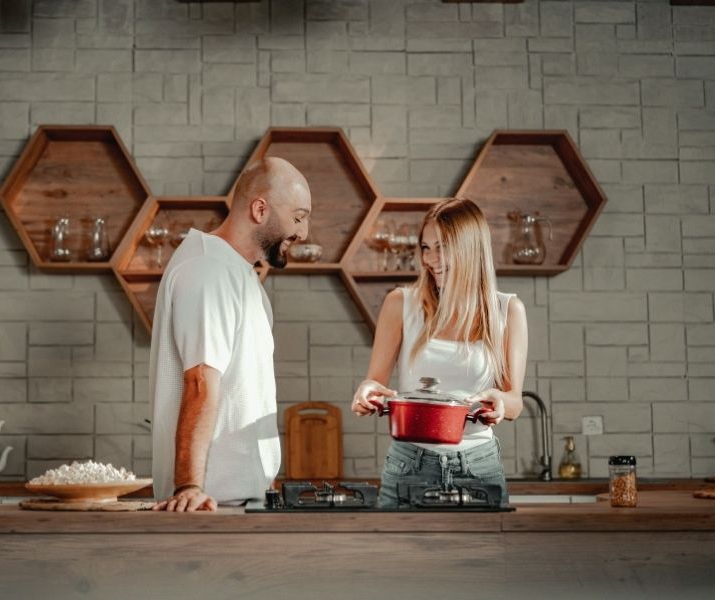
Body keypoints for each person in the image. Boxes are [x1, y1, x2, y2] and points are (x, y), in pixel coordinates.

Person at [150, 157, 311, 512]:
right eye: (299, 217)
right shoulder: (208, 268)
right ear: (259, 209)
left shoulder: (240, 275)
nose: (303, 233)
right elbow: (199, 382)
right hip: (207, 507)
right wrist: (189, 487)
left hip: (240, 503)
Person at [351, 198, 528, 507]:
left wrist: (500, 402)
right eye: (426, 247)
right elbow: (376, 383)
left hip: (479, 466)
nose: (431, 259)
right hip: (410, 464)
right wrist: (367, 392)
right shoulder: (400, 304)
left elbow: (515, 402)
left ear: (470, 249)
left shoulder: (507, 310)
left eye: (442, 247)